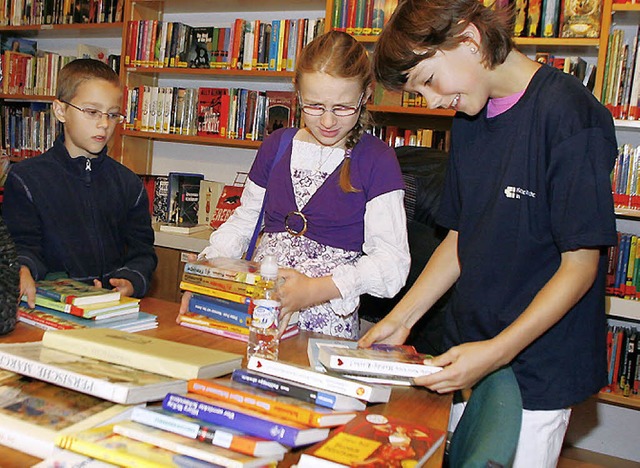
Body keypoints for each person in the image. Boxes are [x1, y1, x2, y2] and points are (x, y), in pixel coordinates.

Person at [358, 1, 617, 466]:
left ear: (468, 40)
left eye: (429, 81)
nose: (433, 102)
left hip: (536, 367)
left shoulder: (569, 115)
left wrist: (495, 353)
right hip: (470, 351)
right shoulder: (471, 119)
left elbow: (580, 266)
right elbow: (460, 237)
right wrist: (402, 318)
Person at [183, 31, 410, 339]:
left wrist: (315, 290)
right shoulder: (277, 146)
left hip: (326, 323)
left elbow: (392, 265)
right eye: (314, 106)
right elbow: (243, 224)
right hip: (261, 310)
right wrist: (208, 273)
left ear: (366, 94)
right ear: (297, 94)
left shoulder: (377, 159)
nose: (328, 121)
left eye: (343, 108)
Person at [4, 58, 158, 305]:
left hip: (108, 307)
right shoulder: (27, 179)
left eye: (113, 114)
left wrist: (130, 280)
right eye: (91, 112)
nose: (104, 124)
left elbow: (143, 253)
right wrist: (22, 269)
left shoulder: (129, 185)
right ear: (60, 110)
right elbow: (21, 246)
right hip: (47, 304)